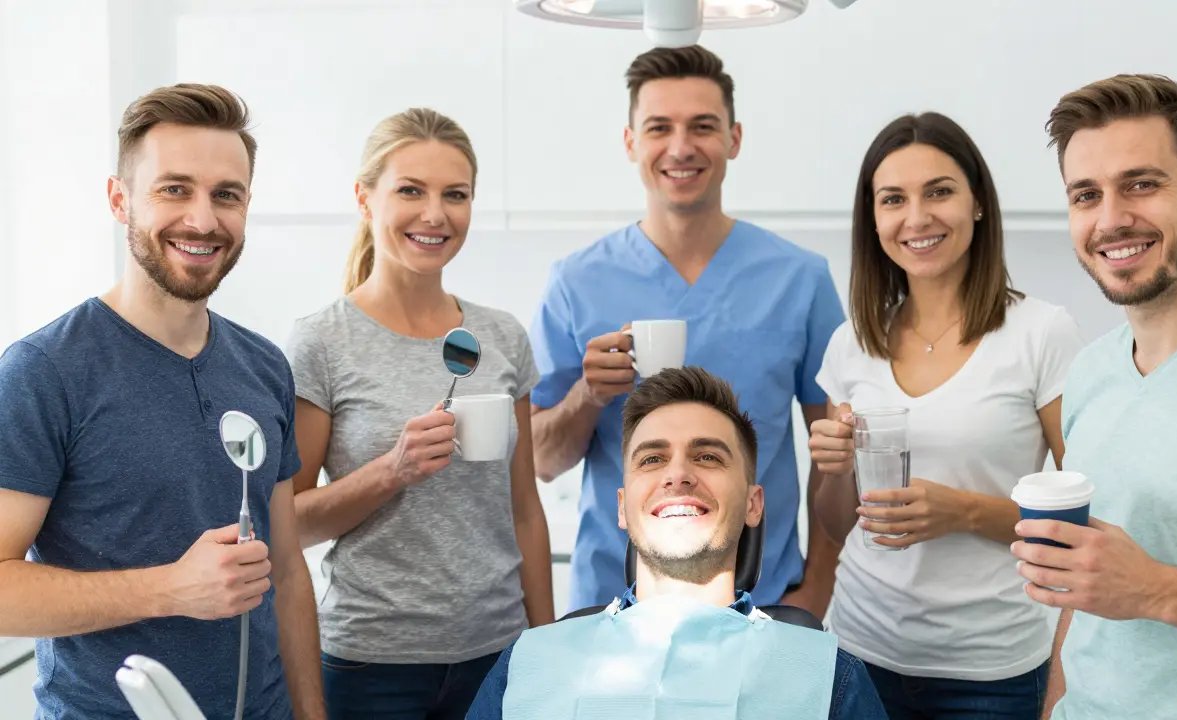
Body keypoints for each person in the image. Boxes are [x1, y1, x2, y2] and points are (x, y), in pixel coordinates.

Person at [0, 84, 324, 719]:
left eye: (226, 195)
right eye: (174, 189)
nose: (202, 220)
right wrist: (171, 589)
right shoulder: (44, 372)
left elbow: (286, 572)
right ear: (119, 199)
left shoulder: (263, 366)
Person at [527, 44, 847, 617]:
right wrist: (587, 395)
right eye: (659, 128)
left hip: (764, 602)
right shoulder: (576, 282)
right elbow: (541, 461)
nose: (680, 147)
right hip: (611, 607)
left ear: (734, 139)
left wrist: (818, 587)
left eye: (702, 126)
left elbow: (836, 455)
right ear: (631, 142)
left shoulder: (801, 280)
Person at [1012, 74, 1177, 719]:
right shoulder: (1089, 371)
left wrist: (1154, 590)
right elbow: (1087, 594)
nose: (1110, 220)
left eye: (1141, 184)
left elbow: (1125, 586)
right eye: (1086, 195)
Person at [807, 111, 1084, 719]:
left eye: (938, 191)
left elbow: (1081, 527)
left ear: (977, 203)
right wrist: (836, 470)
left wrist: (963, 511)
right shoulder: (851, 343)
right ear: (872, 219)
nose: (916, 217)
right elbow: (836, 524)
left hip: (990, 673)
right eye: (893, 199)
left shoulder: (1041, 334)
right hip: (858, 652)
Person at [285, 107, 555, 719]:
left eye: (455, 195)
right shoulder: (322, 342)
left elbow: (524, 511)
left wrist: (545, 647)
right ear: (364, 198)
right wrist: (393, 470)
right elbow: (290, 524)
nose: (435, 214)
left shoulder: (502, 337)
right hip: (369, 667)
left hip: (498, 656)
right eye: (411, 190)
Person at [466, 366, 890, 720]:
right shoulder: (527, 666)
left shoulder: (829, 679)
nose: (678, 475)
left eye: (708, 456)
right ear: (622, 507)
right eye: (652, 458)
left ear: (753, 504)